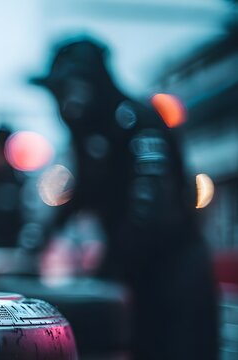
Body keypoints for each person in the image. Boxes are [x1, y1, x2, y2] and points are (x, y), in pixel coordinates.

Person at [31, 38, 218, 359]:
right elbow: (83, 194)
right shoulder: (92, 131)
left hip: (175, 273)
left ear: (83, 87)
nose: (61, 103)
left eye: (65, 91)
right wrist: (40, 241)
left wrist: (108, 268)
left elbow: (154, 209)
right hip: (140, 277)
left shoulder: (136, 121)